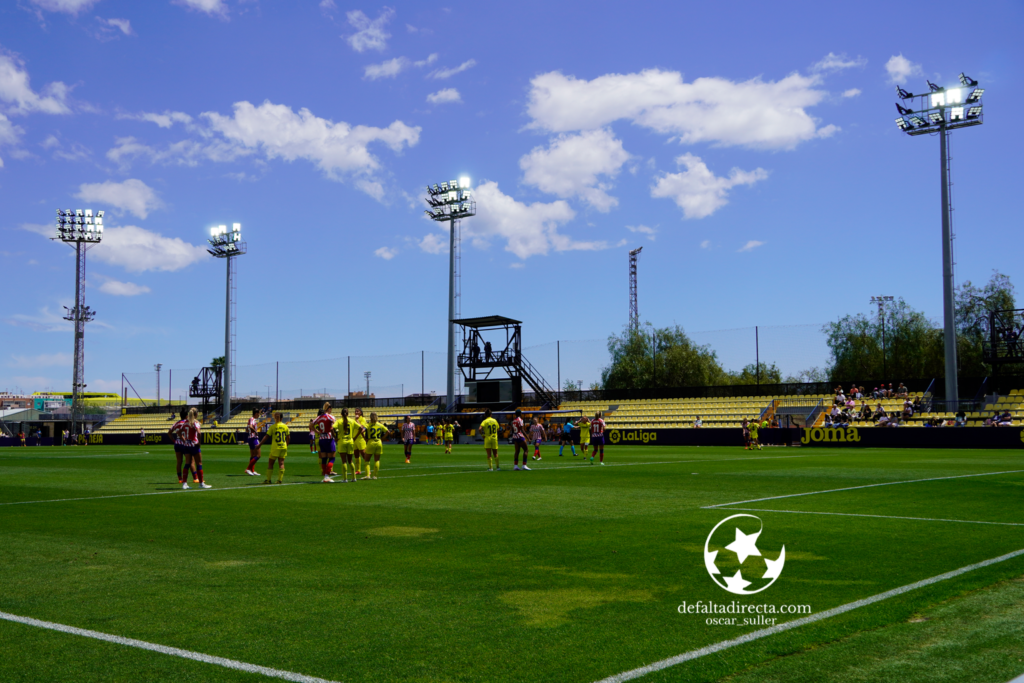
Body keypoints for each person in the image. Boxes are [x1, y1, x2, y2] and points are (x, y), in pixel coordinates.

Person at [259, 411, 290, 484]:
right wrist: (286, 445)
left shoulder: (273, 427)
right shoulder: (285, 426)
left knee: (270, 463)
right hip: (283, 446)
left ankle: (268, 480)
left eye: (276, 417)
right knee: (281, 463)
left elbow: (266, 436)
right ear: (282, 418)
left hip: (275, 447)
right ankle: (280, 480)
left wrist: (260, 444)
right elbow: (288, 437)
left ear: (276, 418)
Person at [184, 408, 212, 488]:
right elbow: (199, 433)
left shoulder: (185, 422)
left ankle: (184, 484)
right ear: (196, 414)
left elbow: (179, 432)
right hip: (193, 445)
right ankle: (201, 484)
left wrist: (184, 439)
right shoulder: (195, 422)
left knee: (187, 464)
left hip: (186, 445)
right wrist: (199, 443)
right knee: (199, 463)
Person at [168, 407, 195, 488]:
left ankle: (180, 479)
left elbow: (169, 432)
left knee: (179, 462)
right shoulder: (187, 423)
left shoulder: (176, 423)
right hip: (185, 443)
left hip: (177, 443)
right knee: (191, 461)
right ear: (187, 416)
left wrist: (173, 440)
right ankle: (195, 478)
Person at [311, 402, 337, 483]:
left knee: (324, 458)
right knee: (332, 458)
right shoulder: (330, 417)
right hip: (329, 438)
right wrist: (335, 436)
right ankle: (326, 476)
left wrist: (317, 431)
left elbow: (311, 425)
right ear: (329, 409)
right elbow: (333, 427)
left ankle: (324, 475)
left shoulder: (319, 417)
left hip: (321, 439)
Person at [364, 413, 389, 479]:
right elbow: (388, 432)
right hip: (379, 442)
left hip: (371, 442)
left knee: (367, 460)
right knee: (377, 460)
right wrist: (382, 438)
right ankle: (375, 476)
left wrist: (365, 438)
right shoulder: (380, 425)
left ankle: (367, 475)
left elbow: (362, 430)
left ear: (370, 417)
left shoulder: (368, 425)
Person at [336, 408, 357, 482]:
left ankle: (345, 479)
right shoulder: (352, 421)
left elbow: (332, 428)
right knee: (350, 460)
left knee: (344, 461)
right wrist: (355, 437)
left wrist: (335, 438)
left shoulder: (339, 421)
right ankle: (354, 478)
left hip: (342, 441)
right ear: (348, 414)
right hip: (350, 441)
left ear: (341, 414)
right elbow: (361, 428)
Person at [245, 409, 262, 475]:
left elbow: (247, 429)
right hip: (253, 438)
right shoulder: (252, 419)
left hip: (250, 438)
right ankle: (248, 469)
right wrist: (255, 432)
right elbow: (250, 426)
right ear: (255, 413)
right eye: (258, 414)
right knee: (258, 455)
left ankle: (252, 470)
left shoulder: (251, 419)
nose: (258, 415)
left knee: (253, 455)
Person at [353, 407, 368, 477]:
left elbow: (362, 427)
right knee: (356, 454)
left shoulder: (363, 419)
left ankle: (367, 469)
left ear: (360, 413)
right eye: (355, 411)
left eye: (357, 411)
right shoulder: (353, 420)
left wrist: (357, 420)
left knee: (363, 454)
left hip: (361, 439)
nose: (356, 412)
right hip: (354, 439)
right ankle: (358, 470)